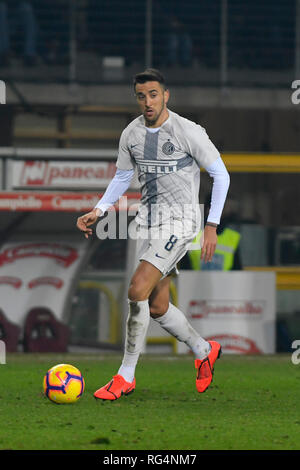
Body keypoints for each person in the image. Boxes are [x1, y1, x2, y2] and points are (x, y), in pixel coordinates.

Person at [76, 68, 230, 401]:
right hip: (149, 224)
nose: (148, 102)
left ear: (166, 95)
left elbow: (221, 175)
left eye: (154, 94)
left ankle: (125, 376)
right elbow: (121, 178)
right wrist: (99, 210)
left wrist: (211, 226)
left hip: (181, 223)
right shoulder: (131, 133)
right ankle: (205, 350)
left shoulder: (188, 131)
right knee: (158, 306)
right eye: (141, 96)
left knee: (136, 289)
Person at [0, 0, 38, 67]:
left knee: (27, 8)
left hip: (18, 7)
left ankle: (29, 54)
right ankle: (3, 54)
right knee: (1, 7)